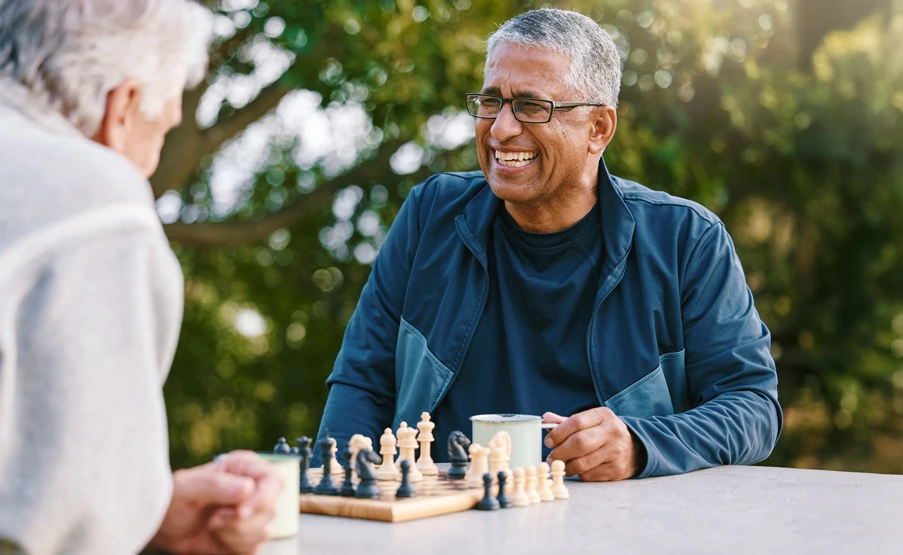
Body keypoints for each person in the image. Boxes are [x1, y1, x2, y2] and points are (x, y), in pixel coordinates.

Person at [315, 8, 782, 481]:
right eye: (491, 100)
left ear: (598, 128)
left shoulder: (686, 239)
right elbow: (361, 382)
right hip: (440, 522)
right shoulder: (429, 214)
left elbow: (753, 406)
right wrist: (334, 494)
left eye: (532, 106)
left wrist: (643, 444)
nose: (499, 129)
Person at [0, 1, 281, 553]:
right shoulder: (94, 202)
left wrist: (144, 517)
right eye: (164, 129)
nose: (152, 164)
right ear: (123, 107)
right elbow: (72, 543)